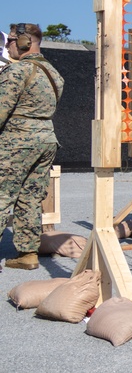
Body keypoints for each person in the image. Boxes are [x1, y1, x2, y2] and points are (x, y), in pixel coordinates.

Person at [0, 23, 64, 270]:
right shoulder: (53, 73)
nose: (7, 46)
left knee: (3, 195)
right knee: (30, 197)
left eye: (11, 41)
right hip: (45, 140)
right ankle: (28, 254)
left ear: (25, 42)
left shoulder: (17, 72)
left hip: (17, 142)